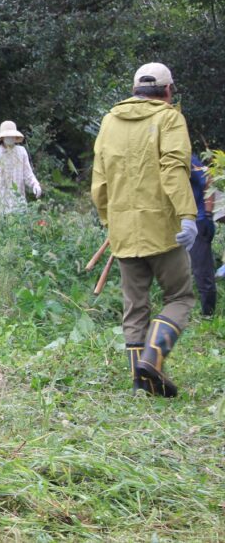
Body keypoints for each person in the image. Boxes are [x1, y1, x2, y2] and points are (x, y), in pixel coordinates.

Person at [92, 62, 196, 397]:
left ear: (135, 88)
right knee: (179, 297)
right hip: (162, 229)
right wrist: (188, 216)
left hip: (123, 230)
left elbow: (100, 179)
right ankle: (153, 359)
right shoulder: (169, 118)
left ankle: (141, 383)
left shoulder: (109, 121)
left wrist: (111, 220)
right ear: (168, 90)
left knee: (135, 306)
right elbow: (173, 169)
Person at [0, 121, 41, 213]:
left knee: (19, 224)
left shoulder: (21, 152)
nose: (10, 138)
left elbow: (27, 173)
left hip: (18, 201)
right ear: (2, 137)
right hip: (0, 202)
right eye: (7, 136)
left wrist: (35, 184)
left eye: (11, 135)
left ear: (15, 137)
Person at [188, 153, 216, 315]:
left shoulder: (187, 159)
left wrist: (207, 213)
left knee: (202, 270)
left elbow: (208, 178)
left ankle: (208, 313)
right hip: (182, 221)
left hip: (197, 220)